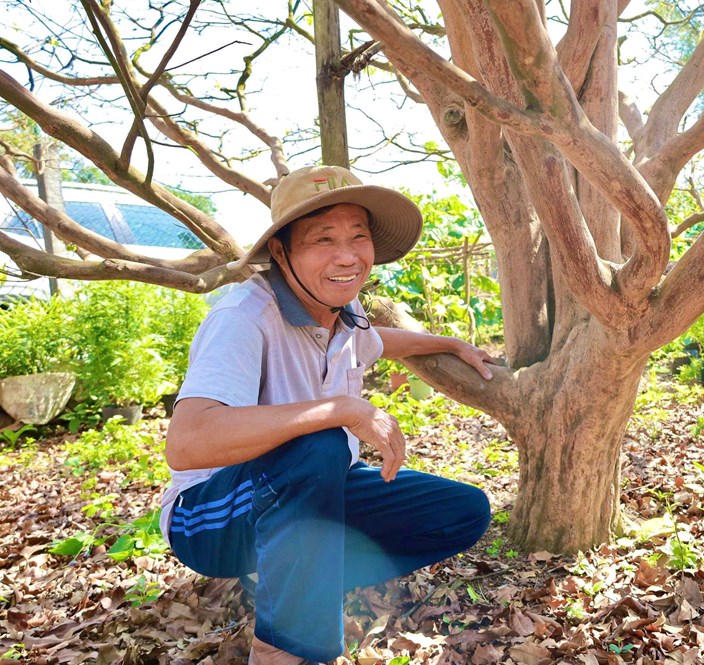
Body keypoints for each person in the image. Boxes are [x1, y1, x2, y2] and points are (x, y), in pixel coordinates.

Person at [162, 165, 498, 665]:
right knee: (316, 443)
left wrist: (450, 342)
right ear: (280, 251)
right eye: (323, 239)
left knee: (461, 511)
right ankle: (278, 648)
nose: (347, 256)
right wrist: (339, 408)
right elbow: (187, 442)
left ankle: (300, 590)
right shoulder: (245, 316)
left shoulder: (341, 311)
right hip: (209, 517)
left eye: (357, 237)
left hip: (307, 490)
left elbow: (381, 342)